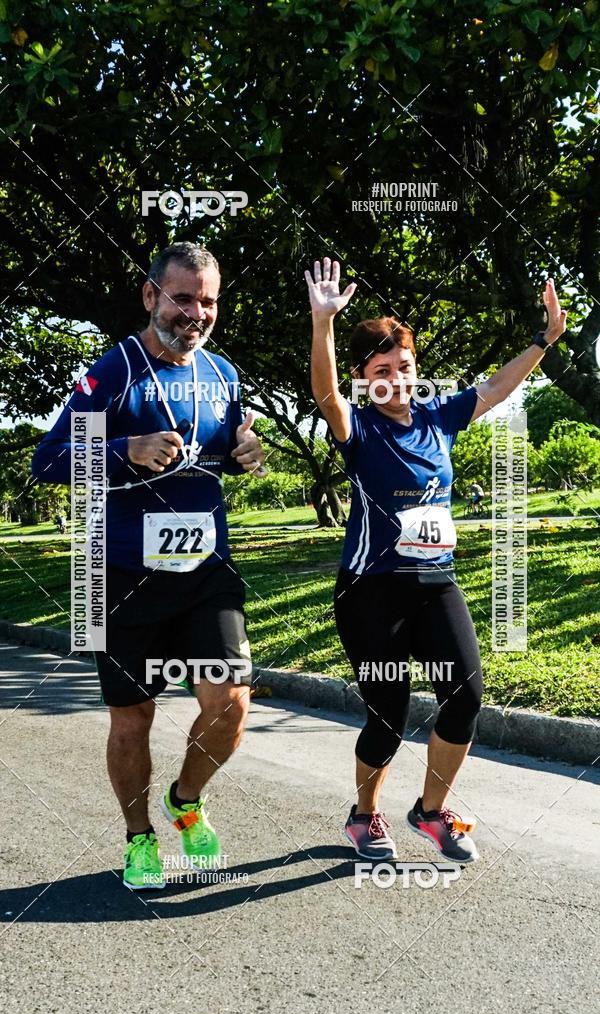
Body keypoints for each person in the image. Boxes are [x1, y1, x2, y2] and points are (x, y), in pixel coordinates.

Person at [305, 258, 566, 863]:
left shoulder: (436, 416)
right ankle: (364, 815)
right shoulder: (360, 428)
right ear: (363, 379)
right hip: (371, 588)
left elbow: (497, 387)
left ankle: (430, 812)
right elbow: (324, 393)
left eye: (404, 367)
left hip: (435, 579)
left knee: (465, 697)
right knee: (389, 711)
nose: (395, 379)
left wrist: (543, 340)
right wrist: (323, 324)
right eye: (381, 371)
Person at [32, 242, 265, 889]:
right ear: (150, 296)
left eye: (208, 301)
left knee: (232, 703)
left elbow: (227, 443)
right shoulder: (113, 372)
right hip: (122, 575)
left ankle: (185, 801)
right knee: (133, 719)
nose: (196, 312)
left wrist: (246, 450)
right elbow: (46, 460)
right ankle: (139, 839)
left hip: (206, 574)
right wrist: (122, 447)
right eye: (184, 297)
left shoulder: (222, 374)